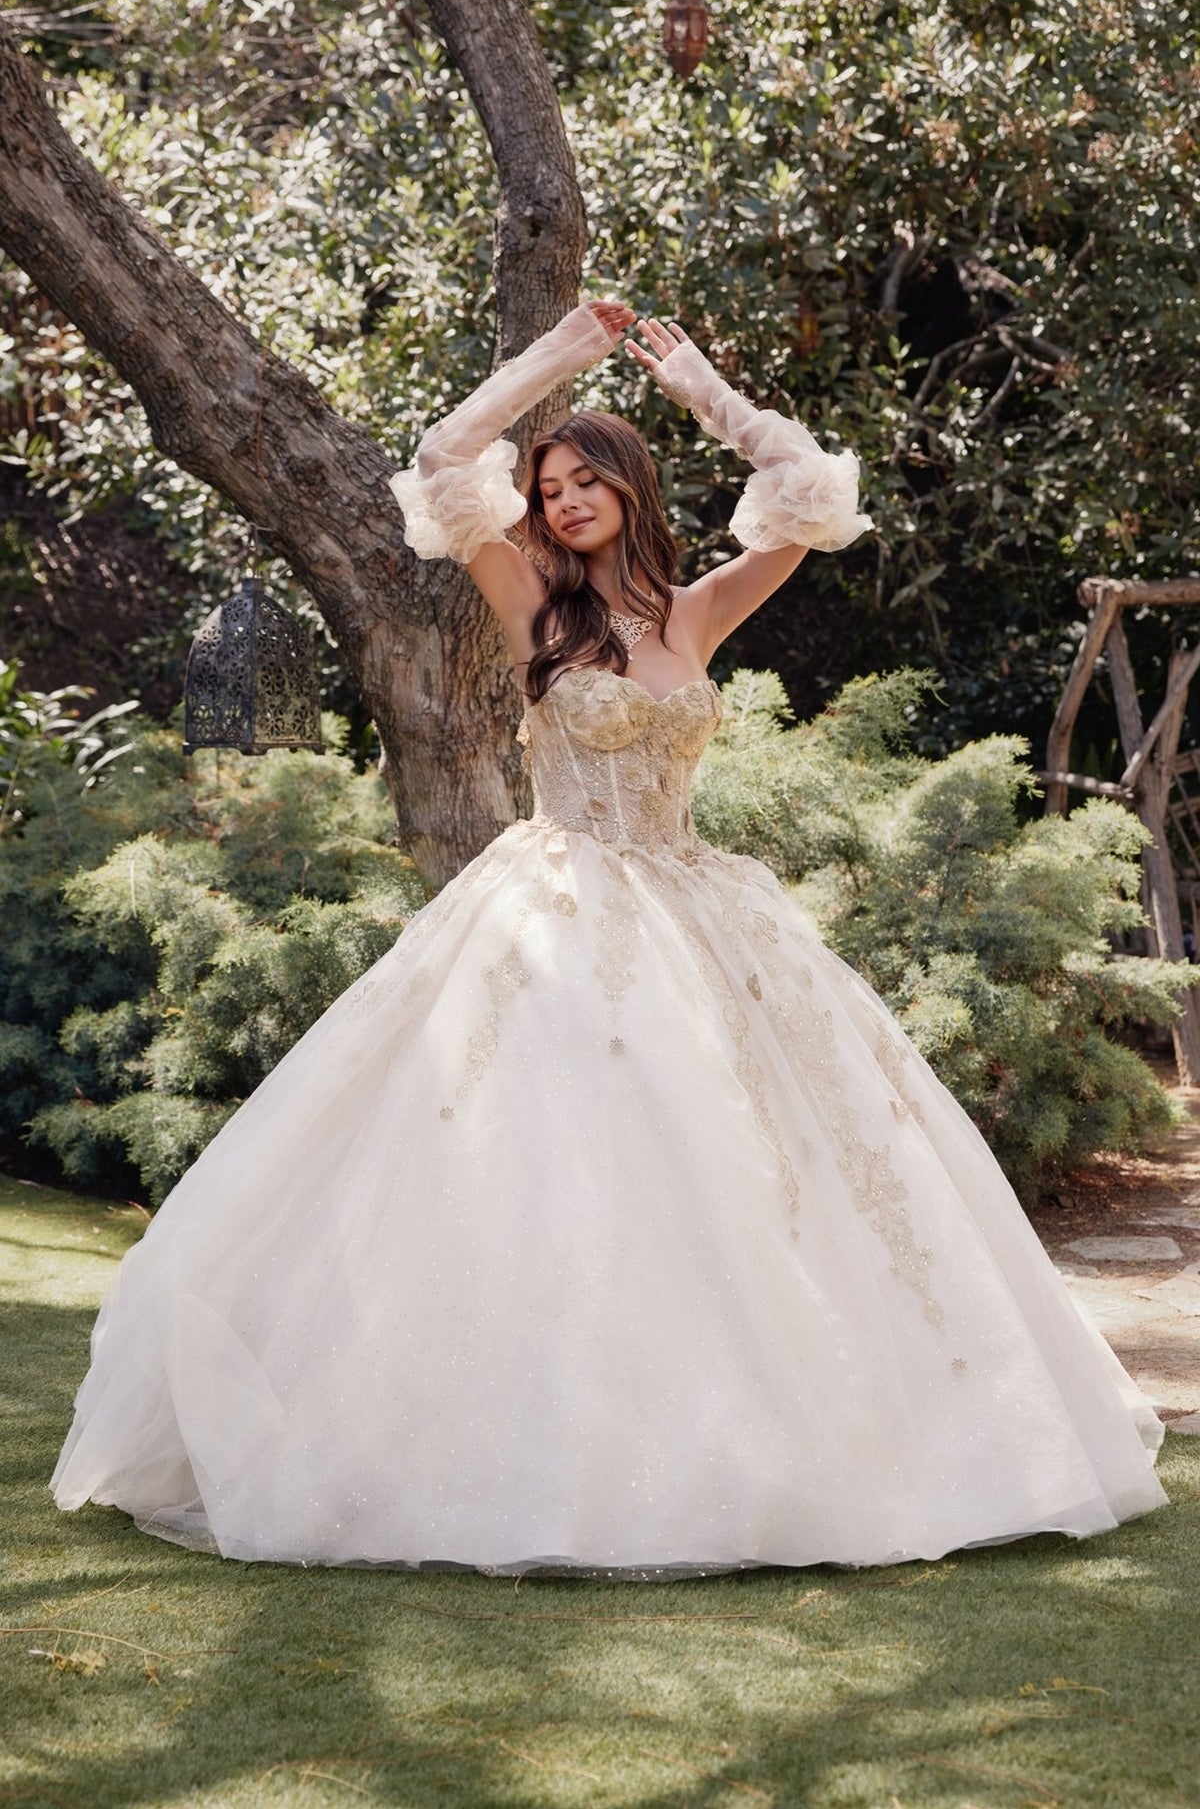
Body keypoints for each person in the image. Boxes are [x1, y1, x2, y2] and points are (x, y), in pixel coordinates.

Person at [52, 300, 1166, 1576]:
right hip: (554, 912)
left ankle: (773, 1440)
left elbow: (804, 494)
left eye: (588, 478)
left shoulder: (696, 617)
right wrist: (556, 361)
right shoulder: (530, 602)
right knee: (547, 1162)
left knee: (768, 1173)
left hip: (700, 909)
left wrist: (701, 385)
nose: (565, 498)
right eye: (549, 483)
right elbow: (435, 461)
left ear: (633, 491)